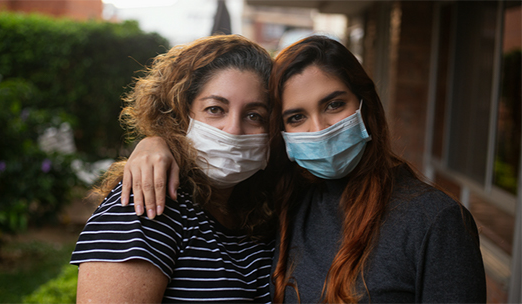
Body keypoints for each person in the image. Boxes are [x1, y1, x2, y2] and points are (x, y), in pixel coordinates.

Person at [124, 35, 487, 303]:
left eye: (334, 104)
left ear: (366, 106)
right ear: (280, 133)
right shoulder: (281, 201)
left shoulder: (435, 220)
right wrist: (157, 142)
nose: (319, 129)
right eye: (296, 117)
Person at [70, 34, 276, 303]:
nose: (234, 129)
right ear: (180, 114)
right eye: (215, 109)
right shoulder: (148, 199)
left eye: (254, 115)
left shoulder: (261, 210)